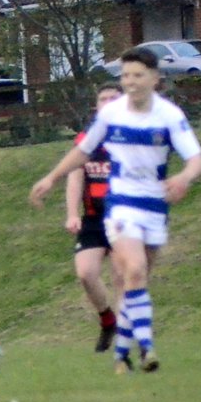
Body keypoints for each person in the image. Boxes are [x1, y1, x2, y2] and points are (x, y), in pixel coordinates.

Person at [30, 48, 201, 374]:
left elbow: (196, 159)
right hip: (120, 203)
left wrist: (184, 177)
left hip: (155, 205)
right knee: (134, 269)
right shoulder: (111, 115)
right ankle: (147, 347)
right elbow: (82, 151)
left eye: (138, 75)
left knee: (134, 280)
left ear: (155, 79)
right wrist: (52, 177)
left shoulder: (169, 116)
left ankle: (122, 351)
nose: (131, 82)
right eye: (126, 76)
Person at [63, 85, 125, 352]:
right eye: (104, 99)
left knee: (122, 276)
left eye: (114, 99)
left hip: (124, 218)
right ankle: (108, 321)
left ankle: (126, 340)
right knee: (86, 273)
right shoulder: (86, 140)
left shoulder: (131, 138)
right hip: (93, 218)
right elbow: (75, 178)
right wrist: (71, 214)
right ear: (97, 106)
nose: (108, 103)